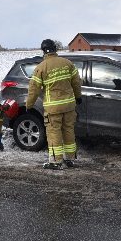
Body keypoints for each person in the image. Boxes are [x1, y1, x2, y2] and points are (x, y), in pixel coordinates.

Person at [25, 39, 82, 169]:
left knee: (54, 132)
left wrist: (29, 105)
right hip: (69, 105)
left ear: (44, 50)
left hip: (53, 107)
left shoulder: (41, 67)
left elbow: (33, 89)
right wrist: (78, 97)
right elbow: (76, 82)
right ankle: (70, 158)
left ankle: (56, 161)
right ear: (55, 48)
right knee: (68, 130)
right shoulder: (68, 63)